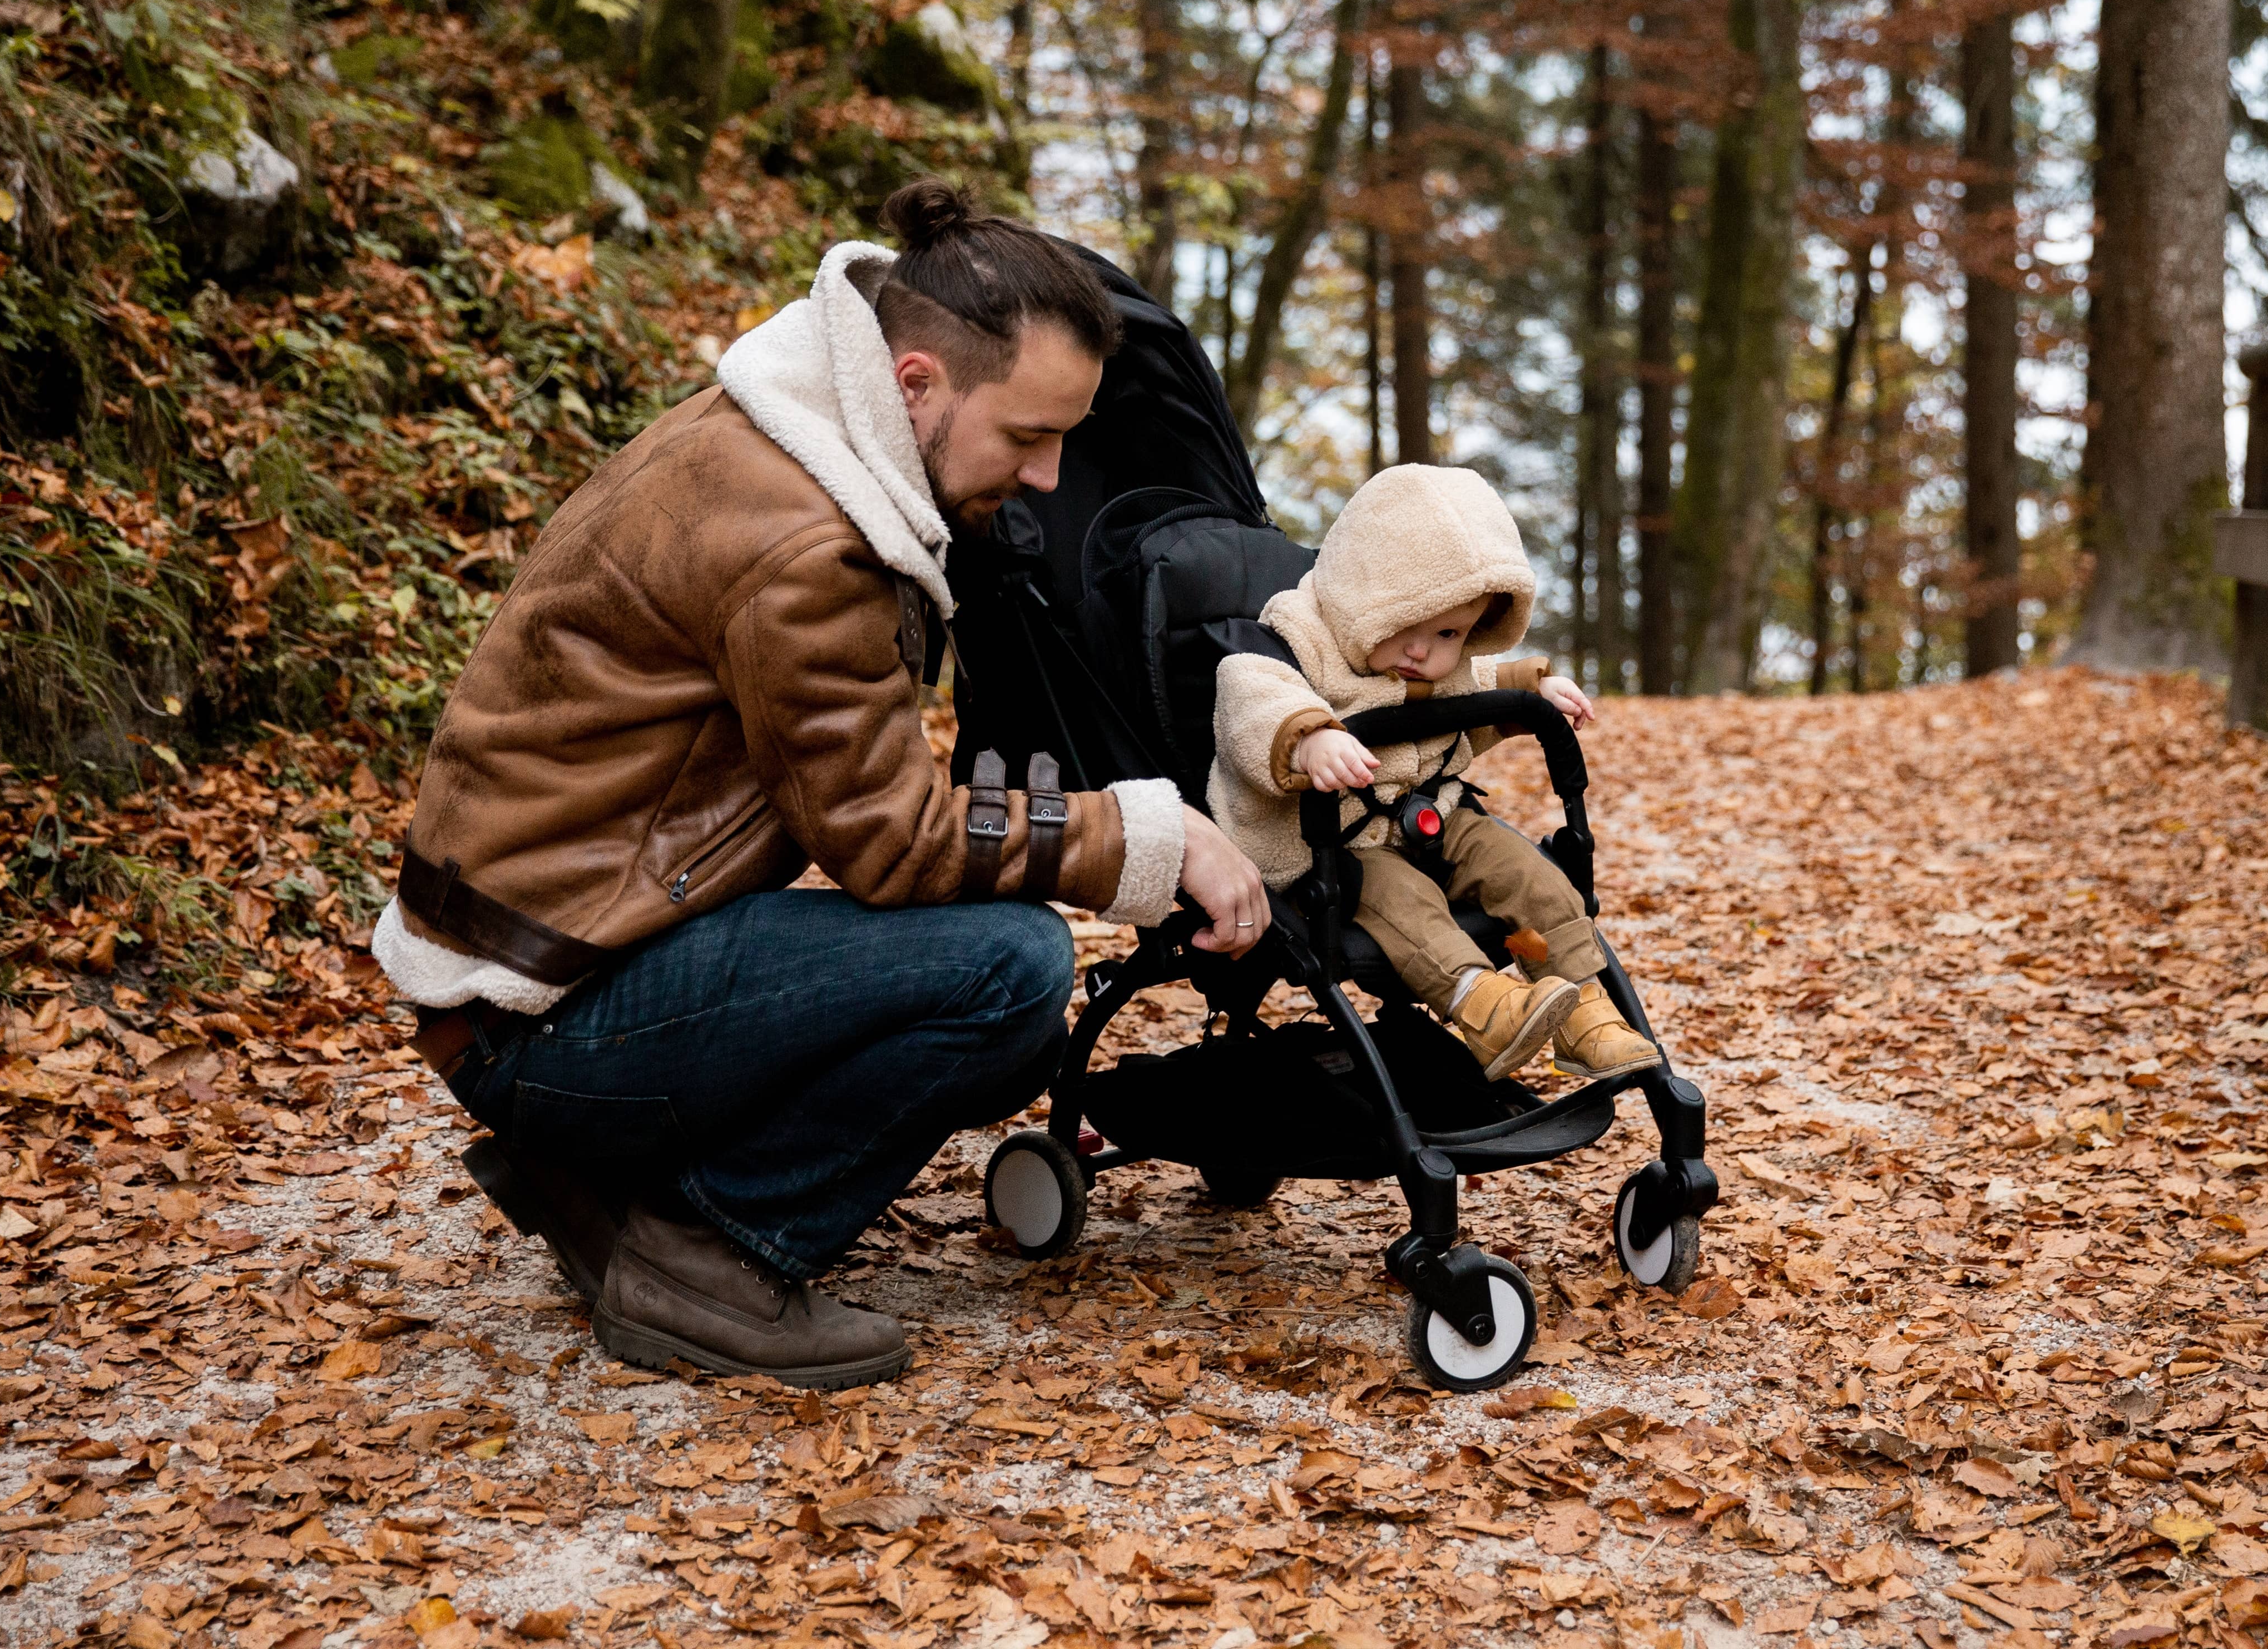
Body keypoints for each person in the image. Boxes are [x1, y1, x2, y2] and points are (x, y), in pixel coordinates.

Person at [373, 178, 1271, 1389]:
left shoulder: (774, 433)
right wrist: (1155, 841)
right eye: (1029, 436)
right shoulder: (806, 542)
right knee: (1011, 974)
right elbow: (894, 845)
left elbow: (863, 800)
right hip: (534, 1018)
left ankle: (600, 1181)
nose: (1053, 478)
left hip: (538, 965)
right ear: (919, 383)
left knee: (997, 998)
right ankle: (711, 1250)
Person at [1207, 463, 1660, 1083]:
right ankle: (1483, 1006)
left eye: (1449, 632)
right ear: (1360, 598)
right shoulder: (1296, 638)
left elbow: (1474, 690)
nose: (1425, 652)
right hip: (1337, 848)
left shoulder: (1436, 664)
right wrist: (1307, 738)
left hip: (1433, 816)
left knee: (1527, 870)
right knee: (1405, 898)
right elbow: (1250, 697)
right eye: (1406, 627)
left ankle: (1583, 1005)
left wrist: (1533, 690)